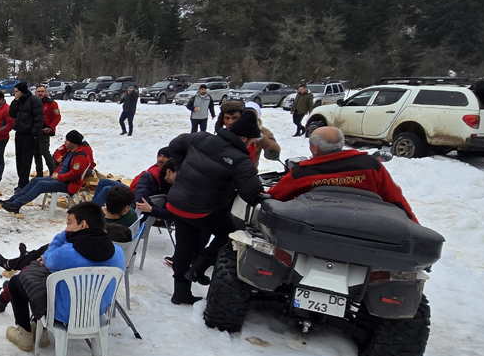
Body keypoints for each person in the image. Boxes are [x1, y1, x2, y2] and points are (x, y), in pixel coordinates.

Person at [165, 110, 264, 305]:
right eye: (252, 141)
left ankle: (181, 292)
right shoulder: (241, 160)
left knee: (184, 245)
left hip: (177, 203)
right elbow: (251, 194)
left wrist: (181, 168)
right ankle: (201, 265)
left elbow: (174, 145)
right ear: (243, 138)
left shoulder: (201, 138)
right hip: (202, 210)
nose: (252, 144)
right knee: (231, 232)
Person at [3, 202, 124, 352]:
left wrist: (64, 235)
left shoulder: (68, 253)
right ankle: (41, 332)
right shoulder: (118, 253)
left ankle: (25, 335)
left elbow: (47, 257)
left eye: (69, 223)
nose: (67, 228)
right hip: (96, 312)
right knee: (43, 285)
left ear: (83, 225)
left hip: (65, 314)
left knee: (17, 282)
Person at [268, 126, 417, 220]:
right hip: (365, 227)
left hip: (316, 228)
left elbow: (275, 197)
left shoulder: (301, 173)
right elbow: (395, 198)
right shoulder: (370, 165)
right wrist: (414, 226)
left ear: (314, 149)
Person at [0, 130, 93, 214]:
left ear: (73, 143)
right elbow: (58, 155)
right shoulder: (70, 151)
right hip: (60, 178)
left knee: (41, 185)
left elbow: (74, 174)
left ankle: (16, 205)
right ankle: (12, 200)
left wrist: (59, 177)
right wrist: (57, 173)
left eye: (67, 140)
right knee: (35, 180)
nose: (65, 142)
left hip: (68, 183)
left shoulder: (81, 156)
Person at [8, 81, 45, 190]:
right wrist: (15, 100)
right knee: (19, 159)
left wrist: (34, 133)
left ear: (21, 91)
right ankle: (21, 181)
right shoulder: (18, 101)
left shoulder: (34, 100)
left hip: (29, 134)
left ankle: (23, 184)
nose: (15, 94)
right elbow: (12, 114)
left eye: (16, 92)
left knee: (26, 160)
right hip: (19, 132)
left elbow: (39, 119)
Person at [35, 84, 61, 175]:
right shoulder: (33, 102)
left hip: (45, 131)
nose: (40, 93)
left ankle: (52, 171)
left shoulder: (51, 103)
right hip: (34, 131)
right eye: (38, 91)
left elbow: (57, 117)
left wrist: (50, 127)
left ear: (45, 92)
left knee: (45, 152)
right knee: (36, 154)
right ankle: (39, 174)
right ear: (35, 92)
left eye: (42, 91)